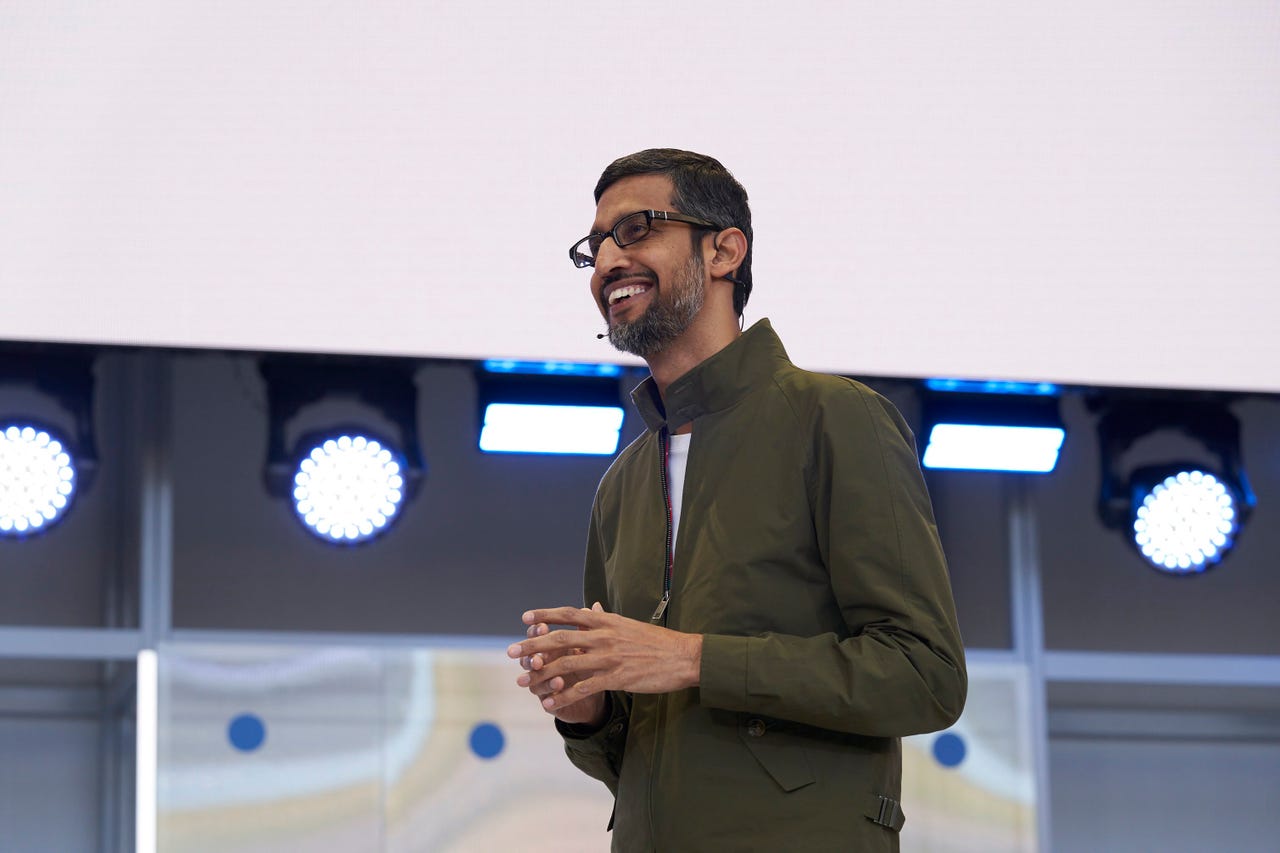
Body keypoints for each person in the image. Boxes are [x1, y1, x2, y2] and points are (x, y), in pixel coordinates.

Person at [507, 149, 966, 852]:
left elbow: (925, 675)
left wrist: (695, 658)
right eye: (594, 247)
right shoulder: (622, 487)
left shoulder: (836, 419)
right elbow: (629, 766)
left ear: (725, 250)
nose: (605, 264)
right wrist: (587, 712)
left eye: (635, 231)